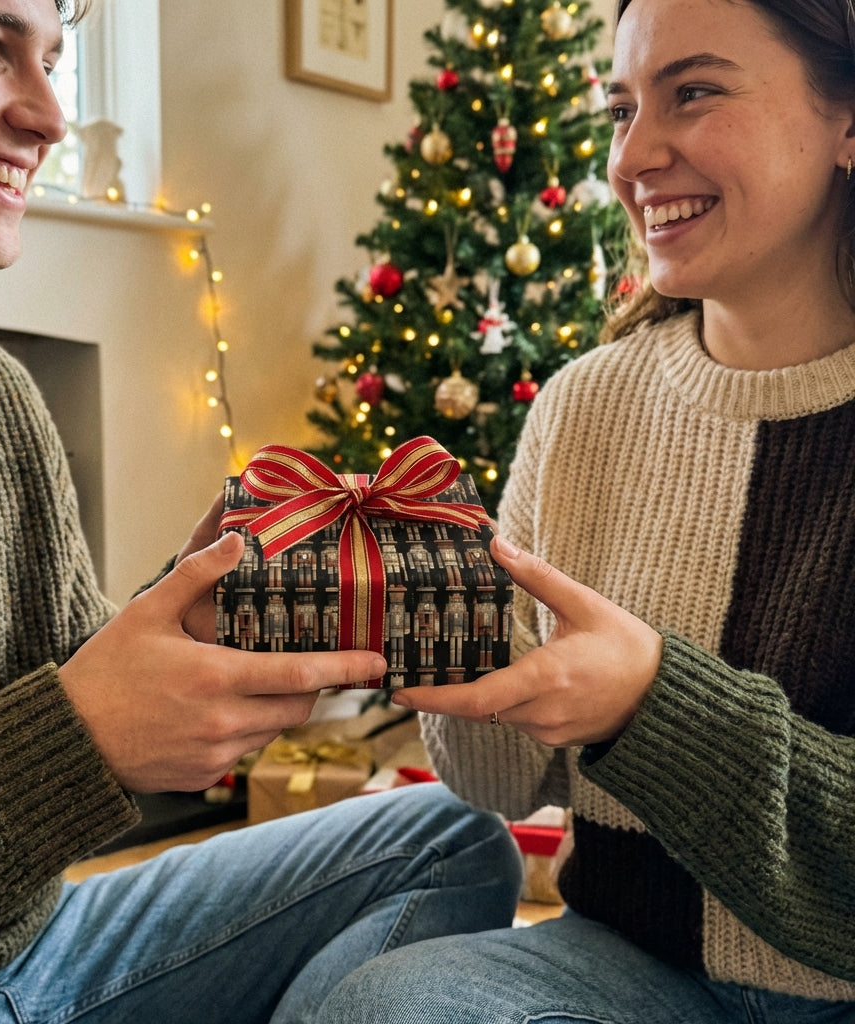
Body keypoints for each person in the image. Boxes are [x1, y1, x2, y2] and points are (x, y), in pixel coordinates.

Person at [0, 2, 522, 1022]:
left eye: (55, 60)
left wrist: (179, 627)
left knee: (451, 840)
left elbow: (58, 696)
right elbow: (58, 745)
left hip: (43, 944)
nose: (50, 115)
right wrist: (77, 739)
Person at [312, 0, 855, 1021]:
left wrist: (651, 701)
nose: (632, 156)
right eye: (618, 107)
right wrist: (441, 639)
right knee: (371, 1004)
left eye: (693, 92)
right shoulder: (586, 403)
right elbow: (506, 785)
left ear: (845, 121)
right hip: (622, 962)